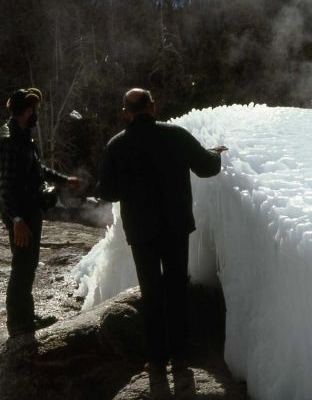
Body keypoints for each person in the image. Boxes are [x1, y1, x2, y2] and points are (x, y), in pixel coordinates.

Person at [96, 88, 227, 378]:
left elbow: (106, 190)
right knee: (176, 288)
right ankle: (180, 356)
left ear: (125, 113)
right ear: (152, 106)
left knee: (151, 292)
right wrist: (216, 154)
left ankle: (156, 360)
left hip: (141, 232)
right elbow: (206, 167)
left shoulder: (116, 145)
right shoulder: (176, 135)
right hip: (175, 226)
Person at [0, 88, 82, 339]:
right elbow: (3, 187)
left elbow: (38, 169)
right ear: (27, 111)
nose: (38, 113)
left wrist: (64, 179)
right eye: (35, 109)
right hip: (21, 215)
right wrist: (16, 220)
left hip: (29, 211)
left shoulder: (23, 136)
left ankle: (26, 317)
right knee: (22, 266)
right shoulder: (9, 141)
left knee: (28, 265)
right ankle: (18, 325)